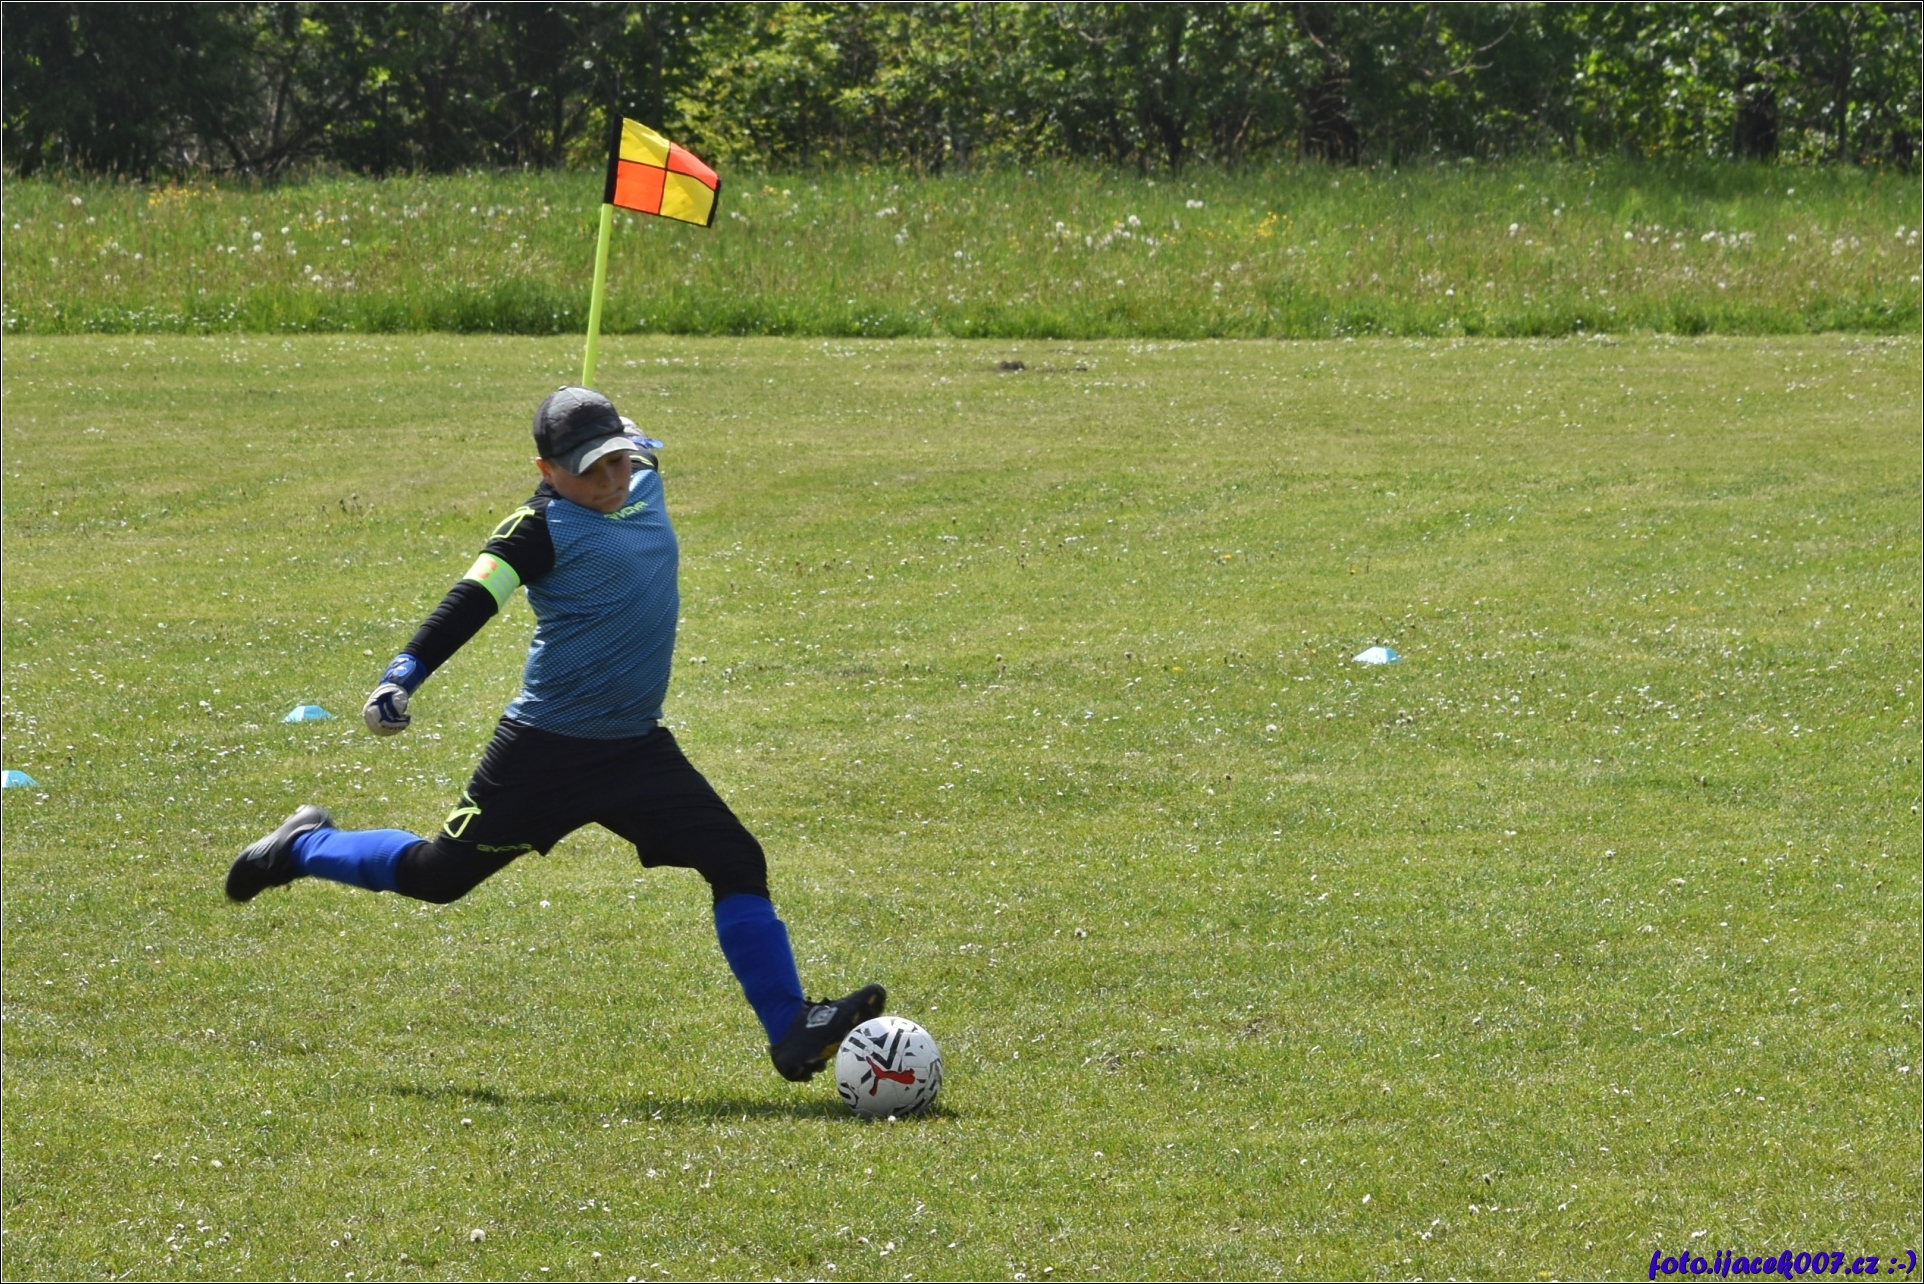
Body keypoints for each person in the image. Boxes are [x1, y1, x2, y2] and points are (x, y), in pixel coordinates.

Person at [226, 386, 885, 1084]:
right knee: (437, 877)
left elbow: (623, 443)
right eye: (587, 469)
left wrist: (607, 430)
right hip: (544, 753)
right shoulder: (535, 529)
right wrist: (402, 675)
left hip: (635, 747)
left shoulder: (641, 475)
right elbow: (470, 600)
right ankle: (303, 846)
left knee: (735, 859)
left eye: (617, 461)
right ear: (546, 470)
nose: (609, 480)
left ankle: (790, 1027)